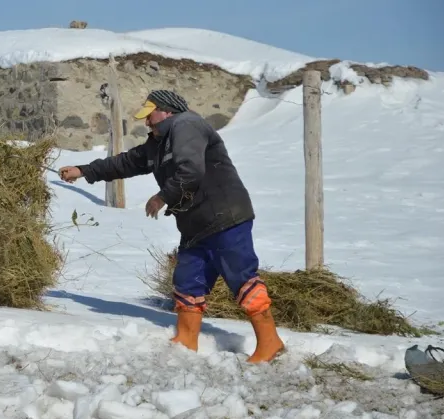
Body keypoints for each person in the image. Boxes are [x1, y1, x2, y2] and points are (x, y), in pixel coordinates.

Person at [58, 89, 285, 363]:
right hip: (195, 225)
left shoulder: (186, 124)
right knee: (188, 281)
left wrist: (161, 197)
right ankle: (186, 341)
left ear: (167, 111)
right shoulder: (159, 143)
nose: (147, 123)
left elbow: (191, 170)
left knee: (240, 276)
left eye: (150, 116)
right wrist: (84, 170)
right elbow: (127, 162)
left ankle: (270, 342)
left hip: (224, 217)